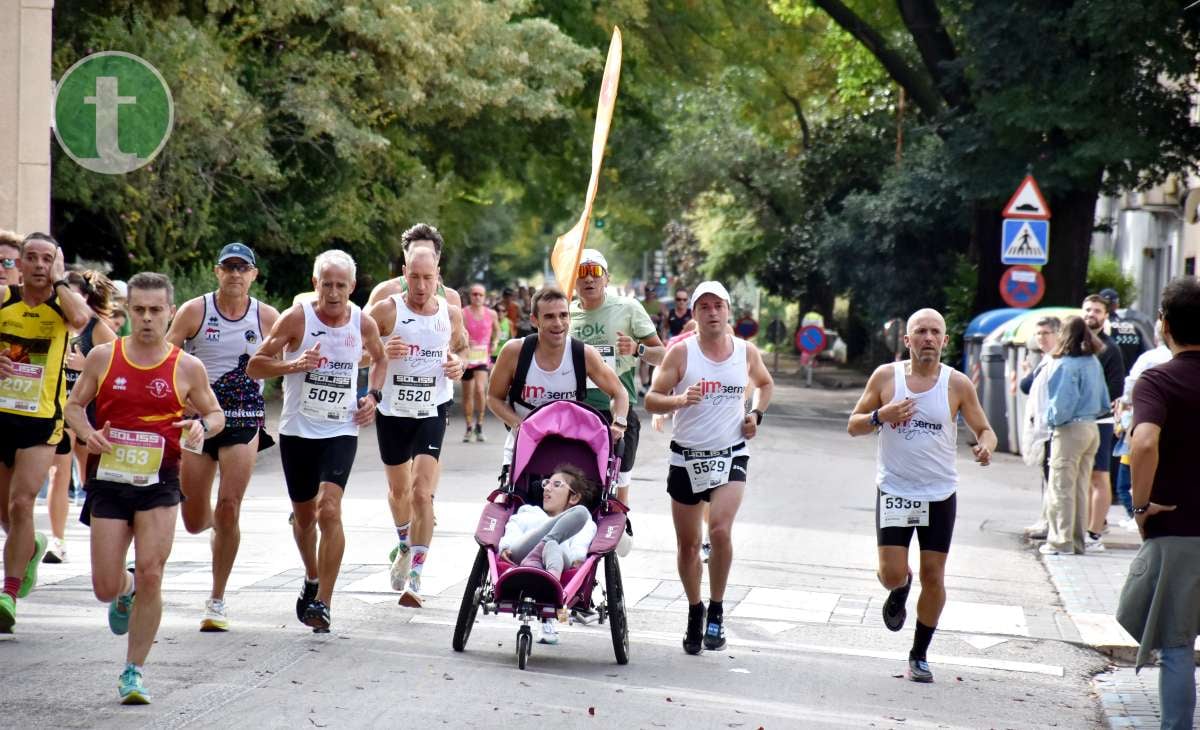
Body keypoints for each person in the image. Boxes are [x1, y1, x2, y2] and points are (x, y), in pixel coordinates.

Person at [65, 272, 225, 704]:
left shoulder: (187, 366)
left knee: (153, 570)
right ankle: (125, 590)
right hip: (110, 482)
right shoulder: (103, 357)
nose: (148, 318)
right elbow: (75, 405)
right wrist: (88, 432)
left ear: (170, 312)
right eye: (139, 309)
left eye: (156, 310)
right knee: (103, 585)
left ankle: (133, 671)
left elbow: (216, 415)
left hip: (160, 482)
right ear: (127, 311)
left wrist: (199, 426)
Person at [846, 308, 996, 683]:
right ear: (907, 340)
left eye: (935, 332)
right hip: (895, 490)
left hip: (939, 493)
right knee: (891, 574)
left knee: (935, 576)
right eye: (920, 332)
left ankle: (919, 653)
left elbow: (985, 428)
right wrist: (882, 414)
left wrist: (985, 447)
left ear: (945, 341)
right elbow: (853, 425)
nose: (928, 338)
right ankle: (899, 587)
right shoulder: (886, 377)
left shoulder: (957, 384)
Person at [247, 250, 386, 632]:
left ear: (352, 287)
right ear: (315, 284)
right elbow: (255, 364)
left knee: (330, 510)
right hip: (297, 431)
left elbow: (379, 358)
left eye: (342, 285)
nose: (334, 292)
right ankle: (311, 575)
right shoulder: (297, 319)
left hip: (341, 429)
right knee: (305, 518)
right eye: (327, 284)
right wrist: (293, 365)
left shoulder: (363, 322)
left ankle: (323, 600)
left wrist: (372, 396)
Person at [646, 281, 773, 655]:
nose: (712, 312)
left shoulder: (745, 352)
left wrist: (755, 414)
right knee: (687, 547)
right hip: (686, 458)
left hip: (731, 454)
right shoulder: (680, 354)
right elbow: (652, 399)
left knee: (718, 530)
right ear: (695, 314)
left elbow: (765, 385)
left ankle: (716, 609)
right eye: (704, 307)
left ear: (728, 311)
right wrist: (680, 399)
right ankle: (694, 608)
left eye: (718, 306)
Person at [166, 243, 281, 631]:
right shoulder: (195, 311)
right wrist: (175, 403)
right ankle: (218, 528)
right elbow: (167, 358)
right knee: (196, 521)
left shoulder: (267, 316)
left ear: (254, 274)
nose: (235, 274)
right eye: (228, 267)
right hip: (199, 421)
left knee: (229, 506)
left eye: (242, 268)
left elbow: (296, 357)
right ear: (217, 272)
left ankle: (216, 599)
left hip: (244, 420)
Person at [1116, 277, 1200, 730]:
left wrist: (1142, 505)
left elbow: (1144, 442)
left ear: (1164, 325)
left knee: (1176, 645)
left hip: (1179, 527)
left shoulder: (1158, 380)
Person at [0, 233, 93, 633]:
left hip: (41, 421)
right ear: (19, 264)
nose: (38, 265)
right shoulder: (4, 299)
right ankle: (32, 546)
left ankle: (8, 594)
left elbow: (82, 320)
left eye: (47, 259)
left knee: (22, 504)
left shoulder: (62, 303)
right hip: (1, 415)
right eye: (31, 258)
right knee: (6, 515)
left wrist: (59, 280)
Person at [364, 247, 465, 608]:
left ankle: (417, 577)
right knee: (398, 492)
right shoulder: (387, 309)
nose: (421, 285)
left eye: (428, 277)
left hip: (432, 409)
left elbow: (463, 349)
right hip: (393, 411)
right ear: (404, 273)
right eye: (415, 277)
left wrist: (458, 365)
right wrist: (381, 352)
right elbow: (357, 352)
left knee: (422, 493)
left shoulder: (449, 313)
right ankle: (405, 543)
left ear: (438, 274)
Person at [488, 286, 629, 466]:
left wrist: (619, 423)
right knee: (512, 495)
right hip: (523, 448)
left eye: (563, 315)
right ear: (534, 320)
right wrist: (519, 425)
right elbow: (493, 397)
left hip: (569, 449)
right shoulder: (514, 352)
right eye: (549, 316)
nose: (558, 323)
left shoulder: (584, 354)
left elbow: (619, 392)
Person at [569, 249, 666, 507]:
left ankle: (620, 517)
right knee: (577, 482)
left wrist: (637, 349)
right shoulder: (564, 314)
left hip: (617, 409)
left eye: (595, 272)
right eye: (582, 273)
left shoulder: (628, 308)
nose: (589, 279)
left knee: (620, 476)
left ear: (607, 278)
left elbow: (662, 355)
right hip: (576, 409)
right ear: (573, 279)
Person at [45, 270, 118, 563]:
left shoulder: (94, 327)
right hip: (59, 407)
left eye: (72, 296)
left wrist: (86, 363)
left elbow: (121, 363)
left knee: (92, 479)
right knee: (57, 474)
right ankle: (57, 541)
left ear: (85, 298)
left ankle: (101, 540)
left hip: (90, 411)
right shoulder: (51, 323)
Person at [498, 464, 597, 645]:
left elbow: (581, 543)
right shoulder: (529, 512)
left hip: (558, 560)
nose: (547, 488)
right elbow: (512, 529)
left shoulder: (582, 522)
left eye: (557, 485)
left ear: (574, 497)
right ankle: (546, 571)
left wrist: (578, 558)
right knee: (549, 539)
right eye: (546, 483)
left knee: (556, 540)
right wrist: (505, 546)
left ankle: (549, 582)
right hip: (522, 553)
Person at [1039, 316, 1110, 556]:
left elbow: (1062, 406)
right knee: (1080, 487)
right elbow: (1103, 400)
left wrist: (1051, 421)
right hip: (1092, 427)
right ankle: (1078, 540)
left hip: (1070, 429)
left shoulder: (1065, 365)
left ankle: (1061, 541)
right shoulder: (1093, 362)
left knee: (1061, 487)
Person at [1112, 325, 1171, 528]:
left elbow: (1145, 444)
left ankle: (1138, 515)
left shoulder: (1149, 361)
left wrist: (1140, 510)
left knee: (1126, 481)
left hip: (1145, 423)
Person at [1082, 294, 1125, 551]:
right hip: (1077, 421)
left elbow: (1115, 388)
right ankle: (1088, 526)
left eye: (1097, 311)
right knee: (1085, 478)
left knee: (1099, 475)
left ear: (1106, 315)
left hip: (1100, 421)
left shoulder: (1111, 349)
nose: (1092, 314)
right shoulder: (1075, 344)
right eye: (1088, 309)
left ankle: (1096, 534)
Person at [1018, 317, 1061, 540]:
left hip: (1053, 429)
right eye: (1038, 334)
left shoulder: (1059, 360)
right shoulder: (1046, 359)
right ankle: (1045, 519)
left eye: (1045, 333)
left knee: (1053, 478)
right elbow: (1027, 387)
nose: (1041, 338)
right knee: (1047, 477)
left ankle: (1049, 524)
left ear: (1057, 334)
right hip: (1043, 429)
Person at [367, 223, 462, 308]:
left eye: (427, 253)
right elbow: (360, 326)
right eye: (415, 253)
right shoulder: (385, 292)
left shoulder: (451, 299)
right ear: (405, 256)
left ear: (438, 257)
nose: (421, 257)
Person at [460, 283, 499, 443]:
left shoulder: (491, 314)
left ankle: (480, 425)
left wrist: (495, 342)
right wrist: (463, 340)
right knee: (468, 393)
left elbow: (497, 331)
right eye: (474, 294)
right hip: (467, 356)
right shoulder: (463, 313)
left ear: (485, 297)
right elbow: (456, 332)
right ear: (470, 296)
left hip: (482, 356)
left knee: (480, 389)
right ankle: (469, 426)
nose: (477, 297)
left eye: (480, 295)